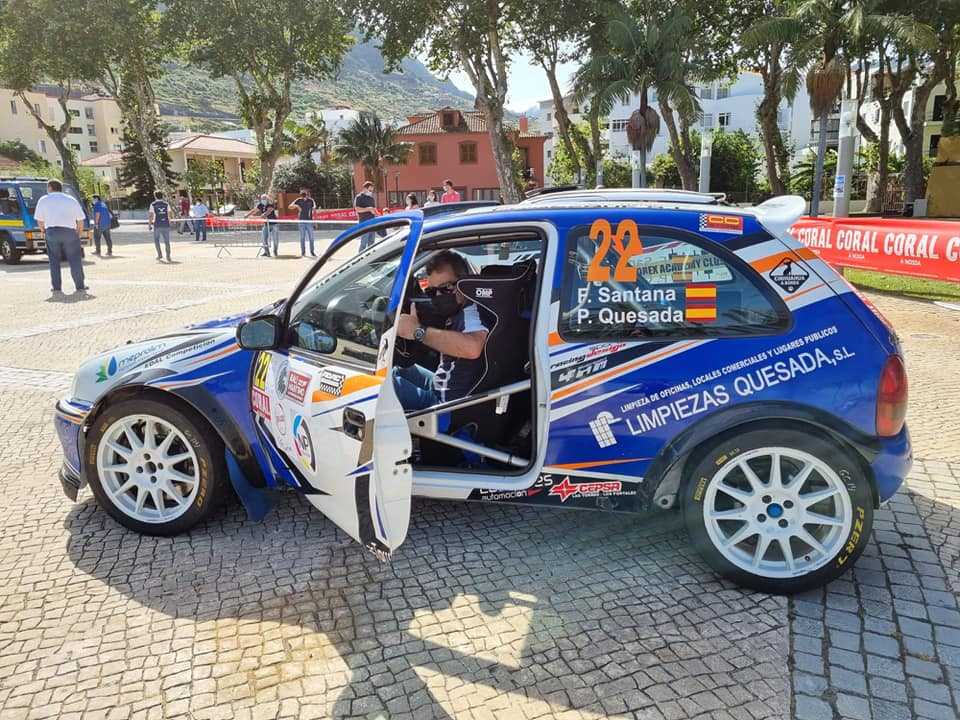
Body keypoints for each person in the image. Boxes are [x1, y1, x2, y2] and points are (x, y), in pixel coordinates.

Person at [394, 250, 491, 411]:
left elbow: (473, 347)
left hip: (445, 404)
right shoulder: (457, 311)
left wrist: (417, 331)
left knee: (384, 385)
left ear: (464, 283)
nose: (438, 296)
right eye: (432, 291)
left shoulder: (471, 313)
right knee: (396, 369)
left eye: (445, 288)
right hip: (440, 385)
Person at [33, 180, 87, 296]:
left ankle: (56, 288)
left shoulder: (43, 200)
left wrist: (44, 231)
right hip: (69, 232)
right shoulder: (71, 199)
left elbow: (40, 220)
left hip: (52, 232)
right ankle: (80, 286)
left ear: (50, 188)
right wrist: (79, 233)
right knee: (75, 259)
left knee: (54, 260)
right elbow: (80, 219)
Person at [289, 187, 316, 257]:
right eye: (302, 192)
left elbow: (314, 210)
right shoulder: (298, 200)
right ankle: (303, 252)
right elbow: (290, 206)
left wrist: (315, 221)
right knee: (302, 238)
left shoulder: (311, 200)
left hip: (309, 221)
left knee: (311, 238)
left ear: (307, 193)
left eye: (304, 192)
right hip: (301, 222)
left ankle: (312, 252)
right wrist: (297, 206)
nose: (303, 194)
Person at [353, 181, 378, 251]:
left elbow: (374, 209)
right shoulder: (359, 197)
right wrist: (368, 209)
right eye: (370, 190)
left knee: (372, 242)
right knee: (364, 242)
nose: (371, 192)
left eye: (372, 190)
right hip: (364, 223)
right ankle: (360, 256)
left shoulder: (371, 198)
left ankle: (371, 256)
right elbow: (357, 209)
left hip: (372, 222)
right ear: (365, 188)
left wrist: (377, 214)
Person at [148, 190, 172, 262]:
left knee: (156, 240)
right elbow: (169, 214)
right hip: (166, 224)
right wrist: (169, 222)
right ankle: (168, 256)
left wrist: (149, 224)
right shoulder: (166, 204)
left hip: (157, 225)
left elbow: (151, 215)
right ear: (162, 196)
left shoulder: (153, 204)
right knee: (167, 241)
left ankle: (159, 254)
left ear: (155, 196)